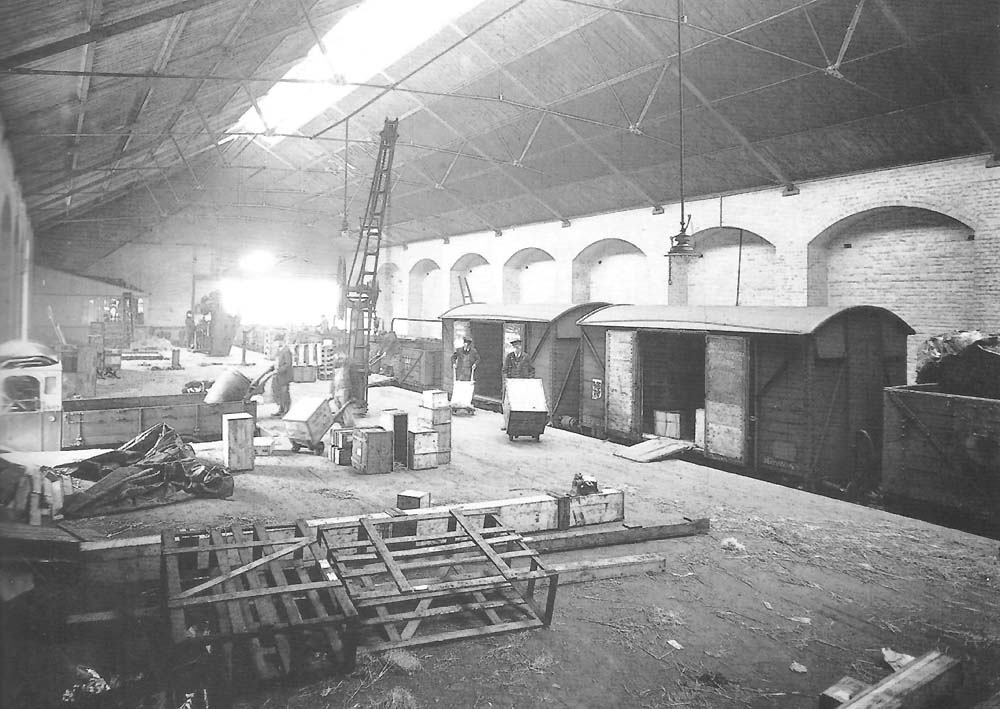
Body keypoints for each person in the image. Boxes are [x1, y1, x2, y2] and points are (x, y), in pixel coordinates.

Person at [271, 333, 293, 417]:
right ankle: (281, 409)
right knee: (280, 393)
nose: (276, 344)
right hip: (279, 376)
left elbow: (288, 364)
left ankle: (286, 411)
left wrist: (278, 371)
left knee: (284, 393)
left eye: (277, 342)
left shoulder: (286, 351)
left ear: (281, 341)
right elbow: (278, 362)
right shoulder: (280, 350)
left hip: (285, 376)